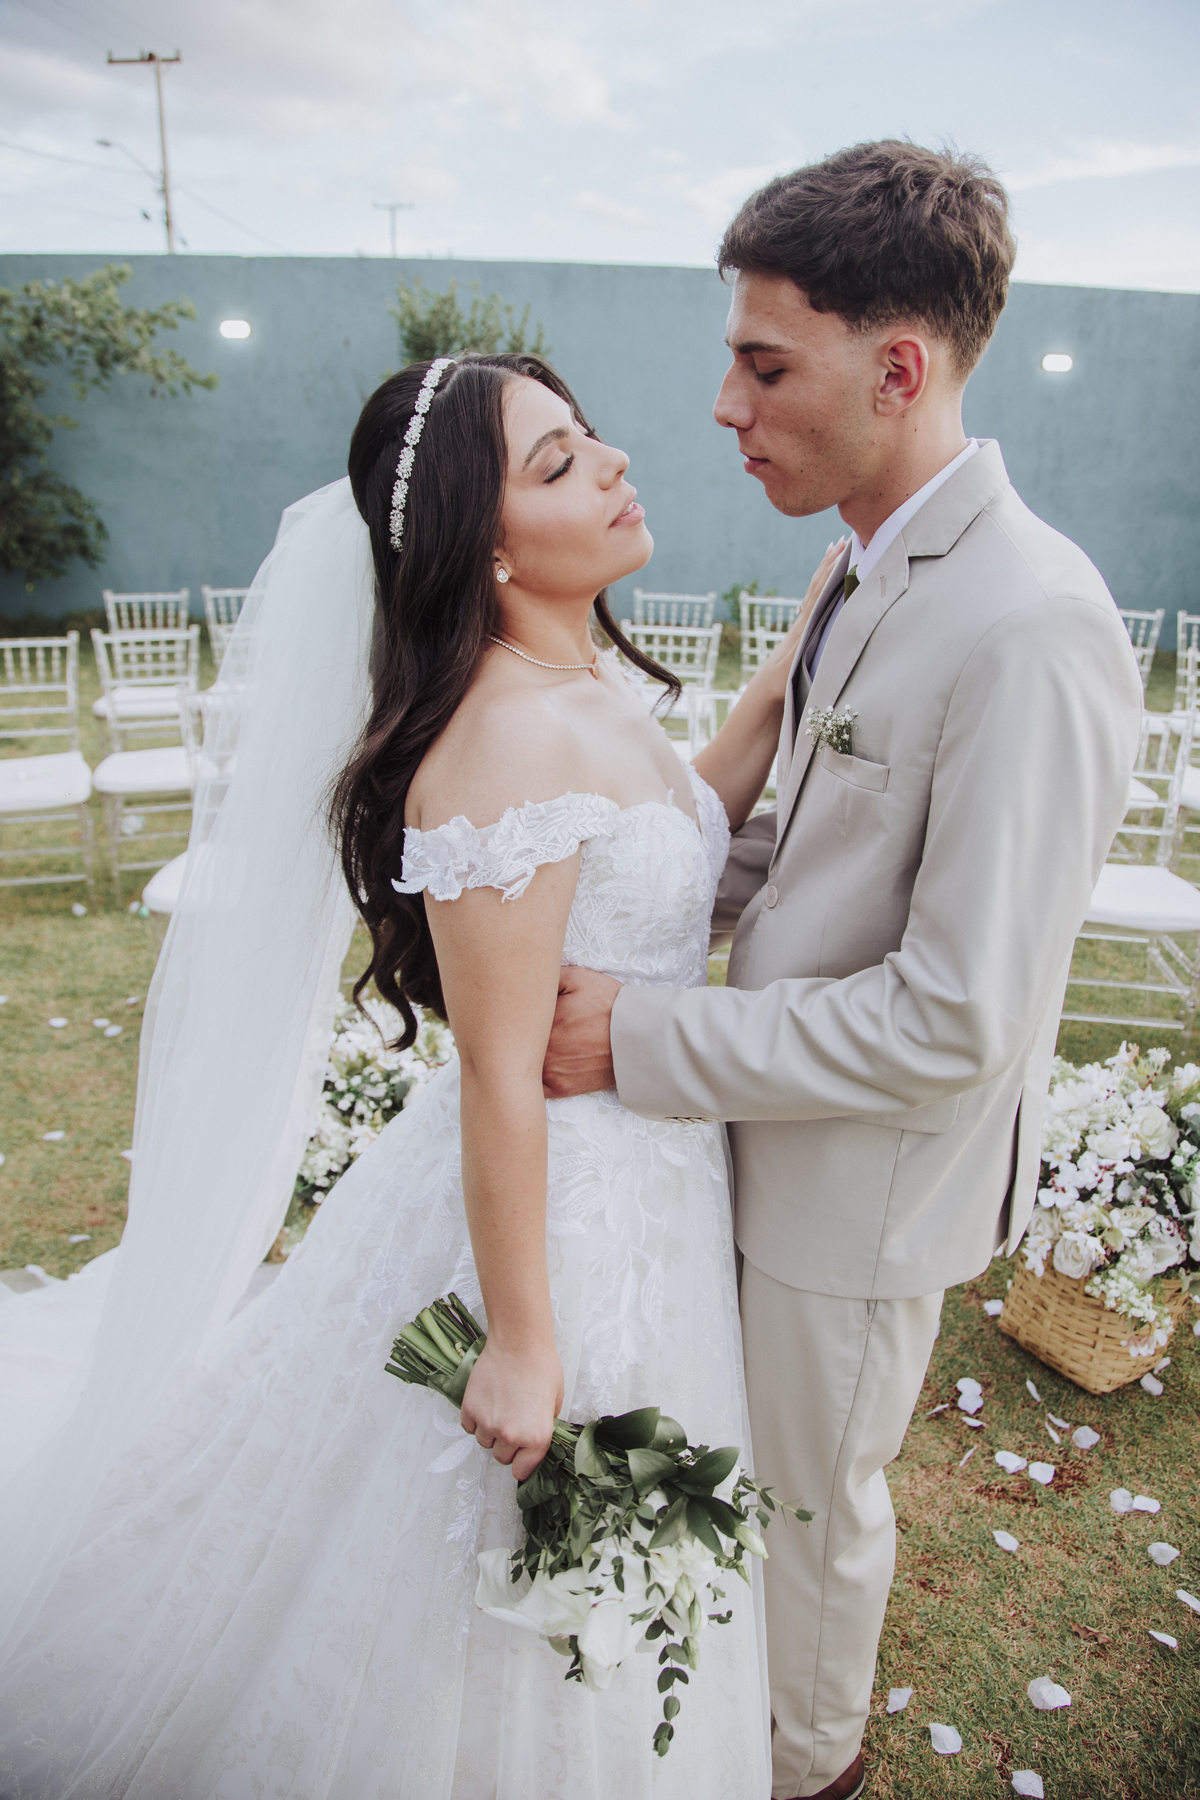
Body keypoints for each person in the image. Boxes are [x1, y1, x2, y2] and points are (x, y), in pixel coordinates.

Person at [0, 351, 839, 1798]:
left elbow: (676, 826)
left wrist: (798, 649)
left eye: (590, 436)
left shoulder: (579, 682)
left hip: (652, 1177)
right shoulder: (499, 743)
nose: (615, 463)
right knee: (493, 1570)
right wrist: (521, 1340)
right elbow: (497, 1076)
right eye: (560, 462)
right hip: (560, 1207)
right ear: (487, 544)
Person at [542, 142, 1144, 1800]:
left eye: (765, 365)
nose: (725, 406)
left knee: (803, 1529)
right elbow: (800, 846)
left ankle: (809, 1773)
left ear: (898, 370)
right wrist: (587, 920)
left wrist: (644, 1038)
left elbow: (959, 1017)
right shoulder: (862, 559)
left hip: (856, 1194)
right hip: (751, 1138)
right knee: (724, 1497)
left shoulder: (1035, 622)